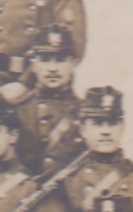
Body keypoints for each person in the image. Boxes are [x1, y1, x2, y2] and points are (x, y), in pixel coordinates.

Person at [15, 25, 87, 173]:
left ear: (73, 63)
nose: (52, 68)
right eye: (45, 60)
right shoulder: (18, 110)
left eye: (60, 60)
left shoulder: (85, 112)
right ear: (33, 64)